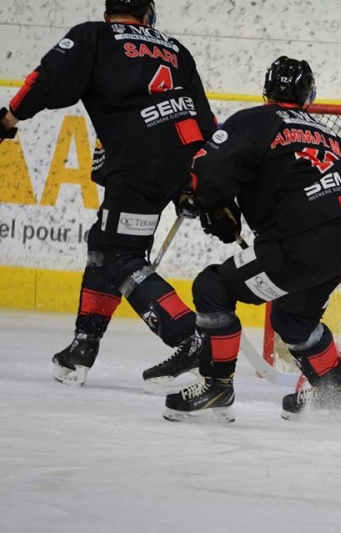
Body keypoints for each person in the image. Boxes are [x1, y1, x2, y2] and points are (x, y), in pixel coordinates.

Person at [0, 0, 217, 387]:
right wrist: (192, 183)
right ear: (147, 16)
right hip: (178, 159)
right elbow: (205, 122)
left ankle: (191, 338)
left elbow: (47, 81)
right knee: (103, 242)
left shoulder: (95, 35)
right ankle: (84, 344)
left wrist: (8, 118)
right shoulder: (175, 48)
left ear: (108, 14)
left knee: (121, 256)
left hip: (139, 157)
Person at [150, 56, 341, 423]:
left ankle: (216, 386)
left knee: (213, 287)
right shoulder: (333, 137)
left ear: (267, 90)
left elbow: (208, 169)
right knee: (295, 318)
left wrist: (214, 207)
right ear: (309, 94)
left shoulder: (255, 121)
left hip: (298, 246)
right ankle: (332, 391)